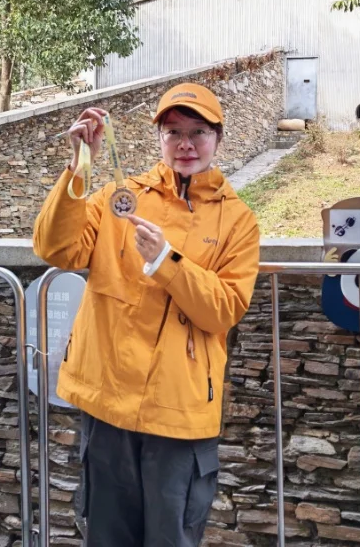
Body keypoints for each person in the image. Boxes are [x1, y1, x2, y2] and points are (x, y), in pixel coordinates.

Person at [32, 83, 260, 547]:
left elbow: (223, 310)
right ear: (159, 137)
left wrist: (166, 262)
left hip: (179, 413)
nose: (186, 144)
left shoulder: (238, 221)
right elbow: (55, 247)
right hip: (108, 402)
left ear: (218, 138)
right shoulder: (118, 197)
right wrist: (81, 165)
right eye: (174, 131)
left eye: (198, 131)